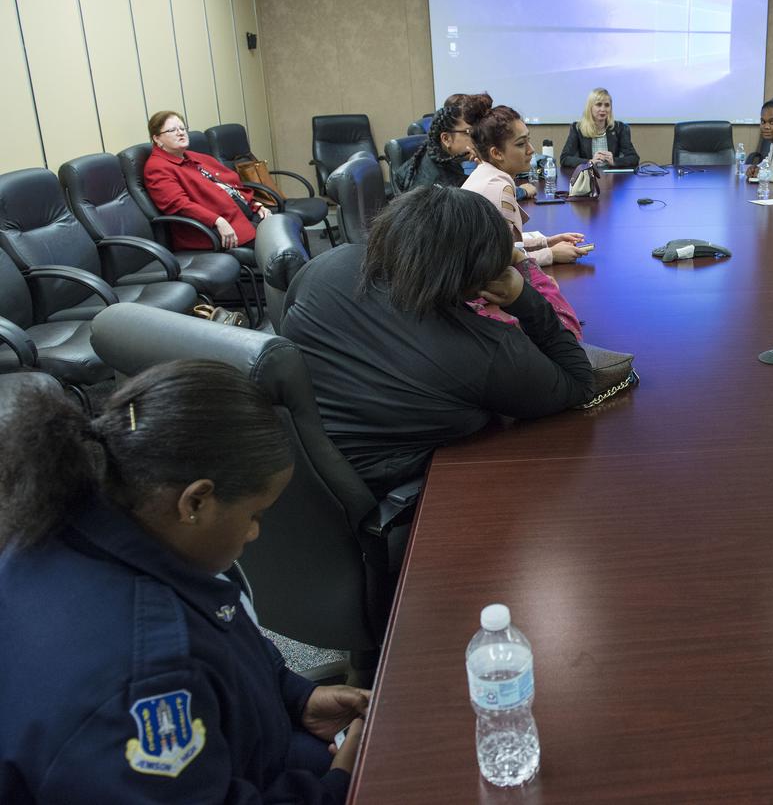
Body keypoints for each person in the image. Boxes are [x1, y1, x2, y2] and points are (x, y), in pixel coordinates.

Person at [0, 361, 368, 803]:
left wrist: (296, 696)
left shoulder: (81, 517)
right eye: (255, 515)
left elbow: (221, 631)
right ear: (195, 501)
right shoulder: (145, 677)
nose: (254, 533)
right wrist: (341, 785)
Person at [281, 186, 594, 497]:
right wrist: (524, 296)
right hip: (400, 489)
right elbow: (579, 382)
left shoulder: (324, 267)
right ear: (482, 278)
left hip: (307, 477)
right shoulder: (481, 352)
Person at [463, 104, 590, 267]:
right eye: (521, 144)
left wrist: (547, 242)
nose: (531, 150)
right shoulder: (499, 189)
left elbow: (504, 245)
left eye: (528, 140)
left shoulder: (486, 175)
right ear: (496, 153)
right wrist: (551, 254)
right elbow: (501, 261)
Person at [143, 111, 272, 251]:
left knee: (284, 227)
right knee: (276, 243)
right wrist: (217, 221)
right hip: (212, 229)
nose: (180, 133)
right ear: (157, 138)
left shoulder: (193, 157)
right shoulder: (157, 167)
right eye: (172, 130)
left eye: (182, 128)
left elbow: (228, 185)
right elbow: (179, 205)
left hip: (240, 214)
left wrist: (255, 205)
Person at [395, 93, 530, 195]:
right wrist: (520, 192)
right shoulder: (438, 185)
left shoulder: (444, 160)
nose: (481, 137)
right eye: (471, 132)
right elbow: (482, 199)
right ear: (446, 139)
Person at [559, 88, 640, 170]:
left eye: (607, 105)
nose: (603, 109)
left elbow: (634, 158)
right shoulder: (578, 128)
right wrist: (590, 162)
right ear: (590, 107)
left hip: (613, 177)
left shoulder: (620, 128)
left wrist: (614, 161)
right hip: (588, 177)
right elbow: (564, 159)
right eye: (598, 104)